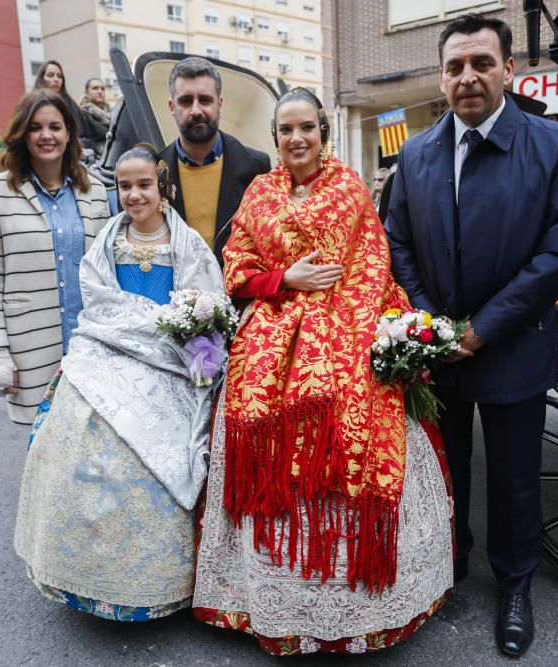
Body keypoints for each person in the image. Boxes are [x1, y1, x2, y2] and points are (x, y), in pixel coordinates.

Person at [193, 88, 453, 656]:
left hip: (348, 321)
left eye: (306, 127)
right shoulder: (259, 191)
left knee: (352, 396)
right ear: (275, 138)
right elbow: (236, 269)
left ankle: (356, 607)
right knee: (253, 402)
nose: (297, 139)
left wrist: (345, 329)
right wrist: (286, 280)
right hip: (273, 326)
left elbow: (372, 266)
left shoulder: (350, 190)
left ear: (324, 131)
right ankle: (272, 600)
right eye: (286, 130)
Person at [385, 14, 558, 658]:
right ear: (440, 78)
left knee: (514, 478)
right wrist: (428, 323)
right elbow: (399, 243)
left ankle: (516, 586)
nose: (467, 77)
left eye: (481, 63)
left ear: (509, 69)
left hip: (512, 344)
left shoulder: (555, 146)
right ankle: (445, 572)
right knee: (445, 475)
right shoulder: (415, 153)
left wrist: (478, 331)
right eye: (454, 67)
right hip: (436, 347)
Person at [14, 145, 224, 621]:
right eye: (124, 186)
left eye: (143, 184)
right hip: (111, 350)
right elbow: (99, 300)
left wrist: (184, 336)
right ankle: (85, 571)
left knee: (158, 451)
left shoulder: (186, 242)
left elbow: (205, 299)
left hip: (169, 361)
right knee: (79, 433)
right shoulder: (108, 240)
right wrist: (137, 327)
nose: (134, 195)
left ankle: (157, 581)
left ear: (161, 184)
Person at [0, 88, 109, 426]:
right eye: (35, 127)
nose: (46, 135)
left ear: (69, 133)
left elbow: (108, 275)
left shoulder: (94, 191)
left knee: (93, 451)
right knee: (43, 455)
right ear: (23, 135)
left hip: (89, 346)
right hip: (31, 349)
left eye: (55, 126)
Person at [157, 57, 270, 266]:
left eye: (205, 100)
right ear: (172, 107)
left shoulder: (257, 168)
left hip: (240, 295)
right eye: (186, 101)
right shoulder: (154, 173)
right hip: (174, 295)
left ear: (220, 104)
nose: (196, 110)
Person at [33, 60, 97, 153]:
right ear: (41, 78)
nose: (56, 79)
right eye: (51, 75)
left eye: (60, 76)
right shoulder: (32, 104)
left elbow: (86, 135)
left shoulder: (71, 104)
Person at [79, 77, 111, 155]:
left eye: (102, 89)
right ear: (86, 93)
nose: (100, 91)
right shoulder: (82, 113)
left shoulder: (112, 114)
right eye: (95, 88)